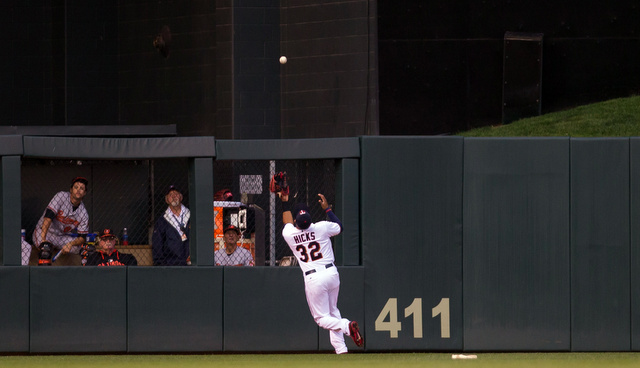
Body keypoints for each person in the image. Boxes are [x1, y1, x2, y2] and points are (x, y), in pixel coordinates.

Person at [279, 192, 364, 354]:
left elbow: (287, 222)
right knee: (333, 311)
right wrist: (327, 209)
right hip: (332, 273)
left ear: (296, 221)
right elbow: (339, 227)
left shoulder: (289, 234)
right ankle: (341, 349)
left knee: (321, 318)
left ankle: (347, 325)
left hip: (314, 277)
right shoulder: (321, 227)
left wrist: (284, 202)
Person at [24, 176, 90, 265]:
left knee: (84, 249)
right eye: (76, 187)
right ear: (71, 190)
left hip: (62, 237)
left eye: (81, 188)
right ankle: (44, 274)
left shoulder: (83, 213)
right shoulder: (61, 196)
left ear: (85, 193)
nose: (78, 190)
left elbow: (82, 237)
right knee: (45, 248)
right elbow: (48, 217)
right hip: (45, 232)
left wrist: (71, 244)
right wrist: (43, 239)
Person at [152, 185, 191, 266]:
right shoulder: (162, 220)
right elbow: (157, 244)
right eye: (170, 195)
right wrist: (161, 265)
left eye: (176, 194)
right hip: (171, 264)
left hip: (190, 262)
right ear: (166, 200)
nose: (173, 196)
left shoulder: (191, 215)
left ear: (181, 197)